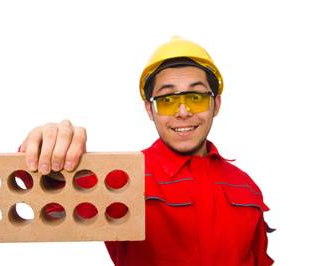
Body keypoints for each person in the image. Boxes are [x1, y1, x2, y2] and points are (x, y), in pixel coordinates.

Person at [20, 36, 272, 265]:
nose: (183, 112)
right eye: (167, 100)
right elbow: (47, 202)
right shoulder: (122, 178)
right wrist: (42, 151)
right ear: (149, 110)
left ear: (215, 104)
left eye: (196, 97)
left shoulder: (245, 185)